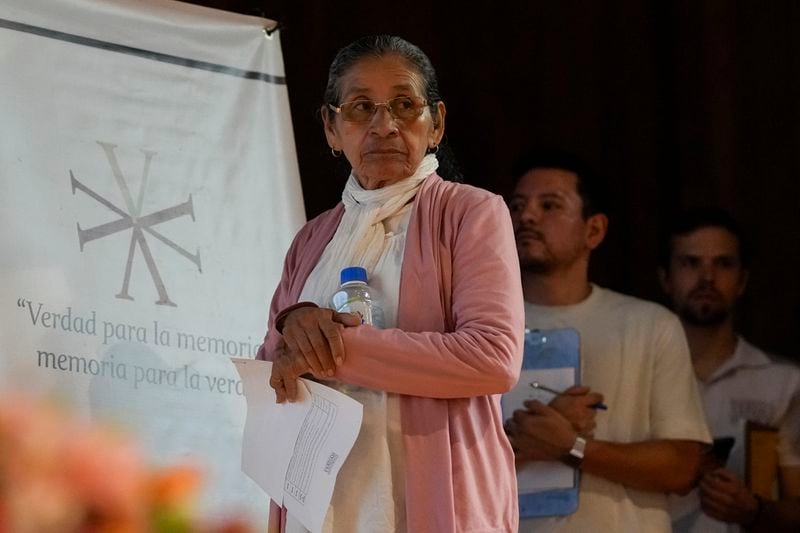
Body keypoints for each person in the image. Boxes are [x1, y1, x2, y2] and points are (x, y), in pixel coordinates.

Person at [256, 35, 524, 533]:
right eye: (361, 108)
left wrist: (337, 348)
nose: (385, 125)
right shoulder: (312, 238)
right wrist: (292, 325)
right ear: (331, 129)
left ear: (436, 122)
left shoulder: (471, 214)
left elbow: (493, 357)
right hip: (320, 512)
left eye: (405, 104)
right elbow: (271, 375)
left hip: (433, 506)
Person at [503, 150, 711, 532]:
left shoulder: (648, 325)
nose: (527, 217)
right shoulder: (478, 327)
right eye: (517, 206)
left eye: (549, 205)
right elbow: (437, 463)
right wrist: (523, 439)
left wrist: (571, 445)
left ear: (594, 230)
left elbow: (684, 466)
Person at [659, 207, 800, 532]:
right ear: (665, 278)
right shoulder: (638, 376)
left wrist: (754, 510)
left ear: (742, 280)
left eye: (723, 263)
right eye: (690, 263)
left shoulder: (783, 382)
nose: (707, 278)